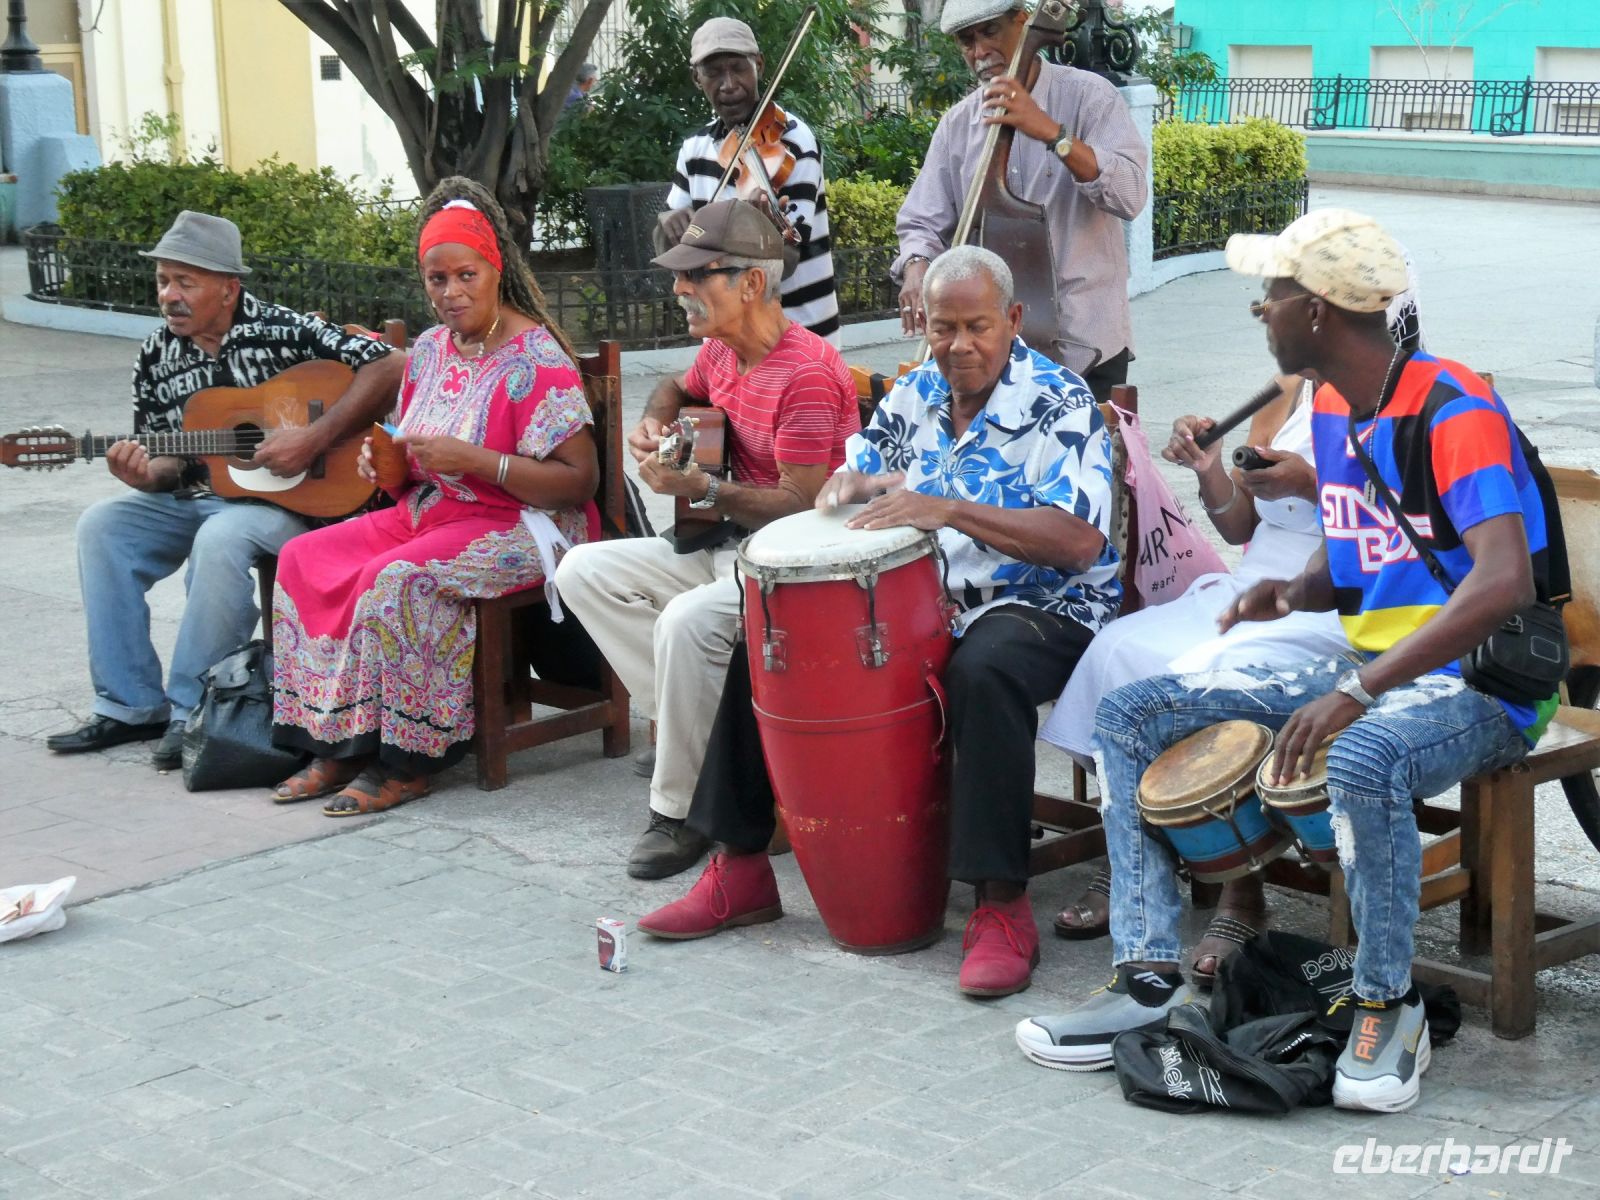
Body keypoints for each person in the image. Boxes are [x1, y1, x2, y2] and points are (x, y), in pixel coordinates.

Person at [1017, 210, 1557, 1114]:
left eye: (1271, 294)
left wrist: (1356, 689)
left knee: (1363, 753)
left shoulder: (1454, 408)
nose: (1258, 310)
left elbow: (1501, 583)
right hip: (1377, 661)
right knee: (1133, 712)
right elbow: (1361, 555)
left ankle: (1391, 1006)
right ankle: (1145, 979)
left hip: (1484, 683)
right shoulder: (1343, 410)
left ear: (1317, 312)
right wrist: (1294, 592)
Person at [637, 245, 1121, 999]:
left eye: (977, 327)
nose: (958, 345)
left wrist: (950, 506)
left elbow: (1078, 541)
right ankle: (739, 868)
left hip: (1042, 604)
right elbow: (857, 474)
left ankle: (999, 906)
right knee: (762, 645)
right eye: (942, 328)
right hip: (925, 600)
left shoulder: (1061, 402)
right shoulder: (915, 393)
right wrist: (848, 484)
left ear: (1014, 320)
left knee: (984, 670)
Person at [1038, 274, 1424, 984]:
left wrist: (1313, 483)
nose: (1268, 321)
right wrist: (1214, 467)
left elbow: (1401, 533)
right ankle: (1136, 852)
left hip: (1333, 601)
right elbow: (1239, 524)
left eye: (1278, 306)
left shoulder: (1396, 398)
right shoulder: (1285, 389)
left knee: (1194, 679)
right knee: (1119, 649)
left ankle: (1237, 885)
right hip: (1256, 582)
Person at [268, 177, 599, 816]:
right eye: (436, 280)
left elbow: (577, 482)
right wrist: (387, 466)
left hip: (524, 527)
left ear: (494, 268)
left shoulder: (537, 360)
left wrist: (482, 461)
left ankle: (408, 761)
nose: (451, 293)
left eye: (465, 275)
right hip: (431, 513)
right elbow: (414, 469)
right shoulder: (427, 351)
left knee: (396, 581)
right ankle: (338, 740)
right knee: (303, 558)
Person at [554, 198, 859, 880]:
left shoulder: (805, 373)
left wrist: (703, 489)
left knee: (686, 623)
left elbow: (803, 506)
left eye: (697, 275)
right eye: (679, 274)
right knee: (580, 571)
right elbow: (673, 383)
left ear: (751, 283)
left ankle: (679, 808)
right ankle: (715, 744)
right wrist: (656, 424)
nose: (678, 290)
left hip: (793, 566)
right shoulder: (723, 351)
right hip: (726, 547)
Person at [44, 210, 405, 771]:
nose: (170, 295)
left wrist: (313, 438)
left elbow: (391, 364)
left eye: (185, 282)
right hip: (196, 496)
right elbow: (169, 461)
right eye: (164, 280)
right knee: (102, 526)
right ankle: (129, 706)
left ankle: (195, 710)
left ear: (229, 288)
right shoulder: (156, 354)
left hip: (288, 502)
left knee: (221, 537)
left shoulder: (287, 330)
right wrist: (144, 473)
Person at [894, 0, 1148, 402]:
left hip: (1086, 344)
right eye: (966, 41)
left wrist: (1052, 133)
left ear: (1022, 20)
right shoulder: (958, 125)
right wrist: (915, 264)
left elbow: (1131, 195)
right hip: (994, 356)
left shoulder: (1089, 97)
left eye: (990, 32)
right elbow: (923, 221)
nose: (979, 52)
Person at [656, 16, 841, 346]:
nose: (729, 85)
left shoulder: (794, 142)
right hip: (725, 343)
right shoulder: (694, 149)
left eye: (738, 68)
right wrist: (667, 222)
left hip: (797, 338)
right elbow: (670, 248)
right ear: (696, 78)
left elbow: (787, 262)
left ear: (759, 65)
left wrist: (770, 238)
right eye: (713, 73)